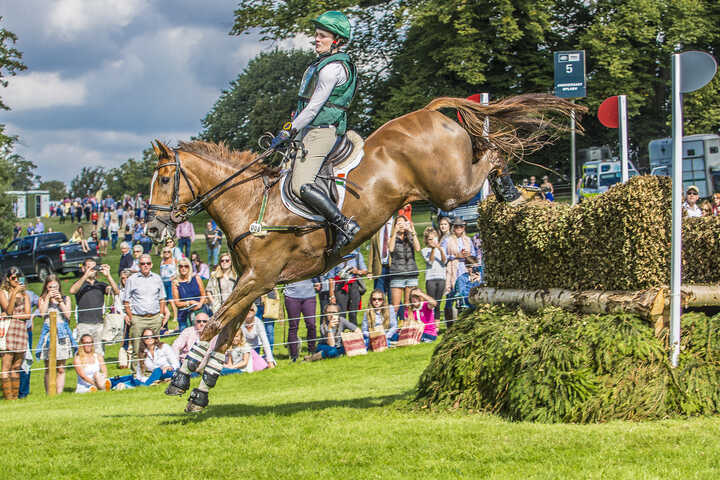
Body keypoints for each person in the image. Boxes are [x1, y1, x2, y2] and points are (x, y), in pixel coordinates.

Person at [268, 10, 359, 256]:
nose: (316, 39)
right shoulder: (321, 64)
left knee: (300, 184)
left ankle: (343, 225)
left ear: (336, 40)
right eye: (316, 35)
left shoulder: (334, 69)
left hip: (321, 132)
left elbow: (313, 109)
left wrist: (287, 132)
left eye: (322, 36)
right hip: (307, 131)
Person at [123, 254, 170, 368]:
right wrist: (131, 317)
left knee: (155, 347)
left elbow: (162, 298)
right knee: (137, 347)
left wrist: (160, 315)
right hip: (138, 318)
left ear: (151, 265)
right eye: (143, 264)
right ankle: (137, 374)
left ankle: (155, 370)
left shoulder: (157, 278)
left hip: (154, 317)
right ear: (139, 265)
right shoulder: (131, 280)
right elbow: (126, 301)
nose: (145, 266)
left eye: (148, 263)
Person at [69, 259, 120, 355]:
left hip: (99, 324)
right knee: (83, 352)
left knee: (99, 352)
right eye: (89, 267)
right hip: (84, 324)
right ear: (83, 268)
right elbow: (72, 291)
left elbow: (116, 291)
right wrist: (85, 275)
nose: (92, 270)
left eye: (94, 267)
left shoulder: (100, 285)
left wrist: (108, 275)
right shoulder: (80, 284)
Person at [111, 329, 179, 389]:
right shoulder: (142, 352)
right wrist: (140, 380)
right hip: (154, 376)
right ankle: (112, 382)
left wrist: (170, 367)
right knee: (133, 378)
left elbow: (176, 364)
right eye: (146, 337)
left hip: (169, 373)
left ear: (155, 338)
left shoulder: (164, 347)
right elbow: (139, 373)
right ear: (143, 339)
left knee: (158, 370)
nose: (149, 338)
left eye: (151, 336)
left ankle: (144, 386)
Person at [0, 268, 31, 400]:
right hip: (8, 331)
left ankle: (15, 397)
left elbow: (28, 315)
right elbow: (9, 310)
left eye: (18, 277)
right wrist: (14, 293)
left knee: (17, 365)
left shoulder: (25, 295)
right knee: (6, 365)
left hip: (21, 330)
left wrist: (13, 316)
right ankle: (8, 398)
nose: (16, 280)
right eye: (13, 278)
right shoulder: (3, 293)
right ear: (8, 279)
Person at [441, 217, 478, 327]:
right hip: (452, 269)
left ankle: (463, 321)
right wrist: (455, 256)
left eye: (461, 226)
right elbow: (443, 257)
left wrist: (468, 256)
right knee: (451, 296)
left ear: (463, 227)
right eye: (456, 226)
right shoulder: (447, 240)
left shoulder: (468, 240)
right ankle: (449, 325)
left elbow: (474, 256)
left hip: (465, 268)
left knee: (464, 295)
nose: (459, 228)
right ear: (453, 227)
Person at [388, 215, 421, 315]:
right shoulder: (392, 238)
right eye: (399, 223)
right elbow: (391, 249)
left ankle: (408, 326)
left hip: (411, 274)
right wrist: (394, 232)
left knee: (409, 305)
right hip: (397, 274)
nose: (401, 225)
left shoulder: (410, 236)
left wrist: (412, 230)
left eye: (403, 222)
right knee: (395, 306)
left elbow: (418, 248)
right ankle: (393, 327)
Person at [328, 248, 368, 326]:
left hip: (353, 285)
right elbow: (331, 278)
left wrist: (357, 271)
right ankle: (341, 334)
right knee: (341, 313)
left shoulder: (357, 255)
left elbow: (365, 271)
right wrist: (331, 295)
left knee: (353, 313)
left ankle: (354, 334)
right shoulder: (335, 256)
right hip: (340, 286)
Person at [284, 279, 318, 361]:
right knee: (293, 326)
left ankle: (312, 352)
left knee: (312, 324)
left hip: (309, 296)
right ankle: (293, 356)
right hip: (291, 296)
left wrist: (317, 281)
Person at [172, 257, 207, 332]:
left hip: (200, 312)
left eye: (186, 266)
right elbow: (177, 303)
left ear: (189, 267)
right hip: (184, 314)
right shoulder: (175, 283)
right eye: (181, 266)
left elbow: (203, 294)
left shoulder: (196, 278)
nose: (183, 268)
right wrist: (190, 302)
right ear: (178, 268)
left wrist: (200, 304)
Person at [421, 228, 446, 321]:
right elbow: (430, 262)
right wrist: (433, 250)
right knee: (431, 303)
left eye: (434, 238)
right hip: (431, 278)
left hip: (441, 277)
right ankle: (429, 321)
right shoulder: (425, 250)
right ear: (426, 240)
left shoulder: (442, 249)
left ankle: (437, 324)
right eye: (430, 239)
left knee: (438, 303)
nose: (432, 241)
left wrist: (440, 249)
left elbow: (444, 261)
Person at [368, 216, 394, 299]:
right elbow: (372, 250)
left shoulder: (395, 225)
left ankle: (393, 312)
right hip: (379, 267)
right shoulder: (377, 226)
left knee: (392, 298)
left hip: (392, 268)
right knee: (378, 297)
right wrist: (369, 270)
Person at [159, 246, 179, 323]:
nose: (166, 253)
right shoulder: (162, 261)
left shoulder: (174, 260)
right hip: (163, 281)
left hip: (171, 281)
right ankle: (166, 314)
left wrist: (174, 278)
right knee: (164, 299)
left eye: (168, 252)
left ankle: (175, 316)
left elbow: (177, 271)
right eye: (165, 252)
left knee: (171, 299)